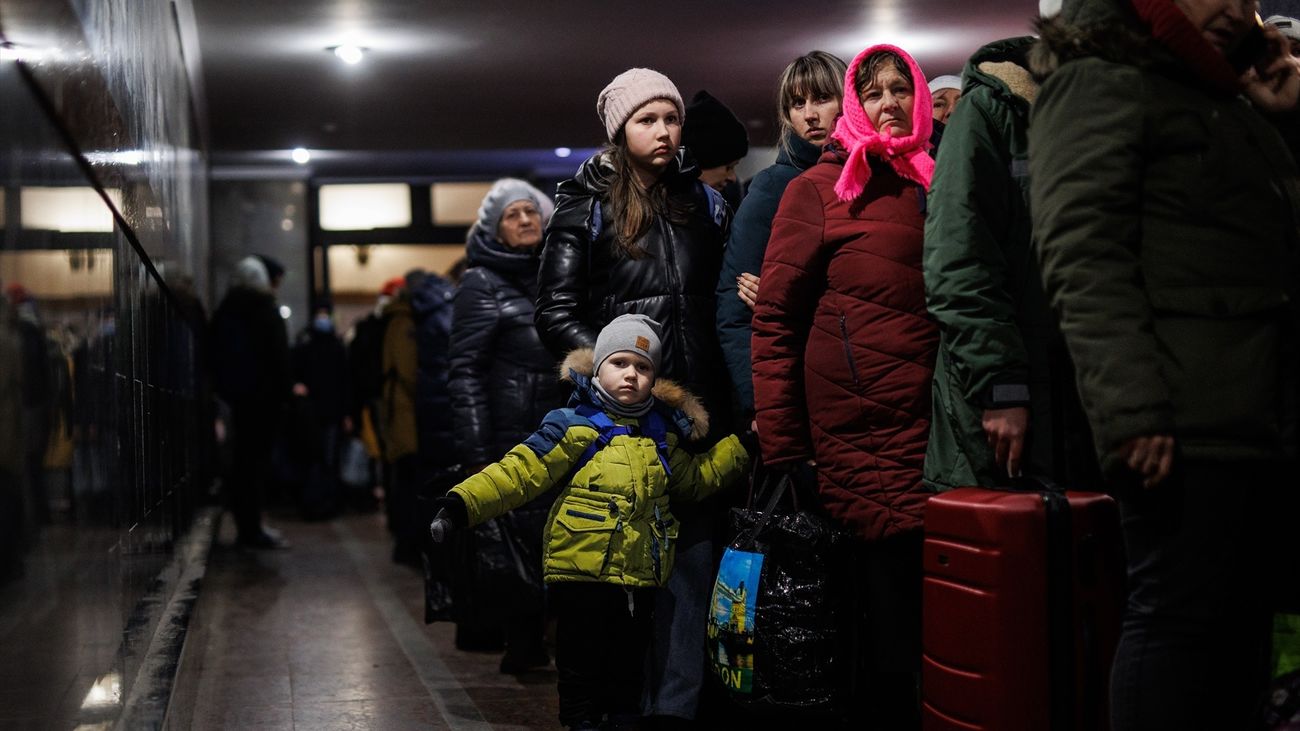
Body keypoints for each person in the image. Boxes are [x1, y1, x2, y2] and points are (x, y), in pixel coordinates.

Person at [1028, 0, 1300, 727]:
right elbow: (1082, 254)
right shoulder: (1098, 80)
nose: (1233, 8)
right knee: (1178, 623)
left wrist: (1284, 115)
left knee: (1239, 632)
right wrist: (1132, 408)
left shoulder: (1220, 98)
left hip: (1252, 408)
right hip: (1182, 416)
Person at [431, 315, 750, 731]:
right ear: (598, 367)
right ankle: (580, 720)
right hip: (580, 572)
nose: (631, 374)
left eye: (643, 367)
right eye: (620, 362)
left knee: (627, 662)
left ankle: (622, 717)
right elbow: (519, 472)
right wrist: (462, 503)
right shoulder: (572, 424)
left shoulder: (661, 435)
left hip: (638, 579)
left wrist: (742, 447)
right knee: (580, 658)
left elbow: (696, 480)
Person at [534, 67, 733, 725]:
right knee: (618, 578)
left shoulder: (704, 205)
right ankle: (614, 708)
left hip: (695, 414)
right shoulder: (585, 206)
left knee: (690, 576)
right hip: (622, 419)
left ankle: (671, 712)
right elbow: (555, 313)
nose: (664, 131)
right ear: (621, 130)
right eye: (648, 119)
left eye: (671, 118)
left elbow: (719, 303)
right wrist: (615, 378)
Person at [752, 44, 938, 728]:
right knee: (881, 624)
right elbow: (774, 321)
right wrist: (784, 444)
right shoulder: (816, 190)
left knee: (933, 619)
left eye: (900, 89)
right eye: (874, 92)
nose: (889, 103)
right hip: (859, 433)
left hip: (935, 426)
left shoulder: (937, 181)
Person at [923, 32, 1100, 493]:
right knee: (1014, 526)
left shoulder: (1104, 116)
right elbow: (959, 260)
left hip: (1089, 394)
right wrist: (1001, 386)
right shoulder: (990, 111)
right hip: (1013, 394)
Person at [448, 177, 564, 673]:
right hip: (509, 434)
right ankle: (524, 646)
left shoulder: (558, 273)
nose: (524, 220)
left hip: (559, 430)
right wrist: (476, 452)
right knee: (520, 543)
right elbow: (465, 372)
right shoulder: (481, 282)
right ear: (495, 229)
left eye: (530, 211)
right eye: (511, 215)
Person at [716, 50, 847, 419]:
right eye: (797, 103)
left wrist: (788, 297)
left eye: (823, 98)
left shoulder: (870, 177)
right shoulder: (774, 187)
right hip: (798, 385)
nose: (810, 114)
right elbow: (734, 304)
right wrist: (761, 405)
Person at [210, 255, 292, 549]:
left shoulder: (226, 311)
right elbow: (279, 358)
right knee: (256, 466)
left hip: (237, 401)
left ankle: (247, 525)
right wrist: (284, 395)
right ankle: (253, 528)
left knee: (242, 465)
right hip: (263, 402)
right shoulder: (265, 310)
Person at [289, 303, 352, 519]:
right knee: (320, 458)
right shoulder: (316, 347)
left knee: (323, 459)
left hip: (323, 413)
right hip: (317, 413)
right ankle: (320, 502)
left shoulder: (326, 347)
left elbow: (345, 383)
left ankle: (321, 502)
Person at [681, 90, 749, 207]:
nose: (732, 178)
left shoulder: (722, 205)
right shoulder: (658, 208)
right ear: (702, 161)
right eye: (729, 167)